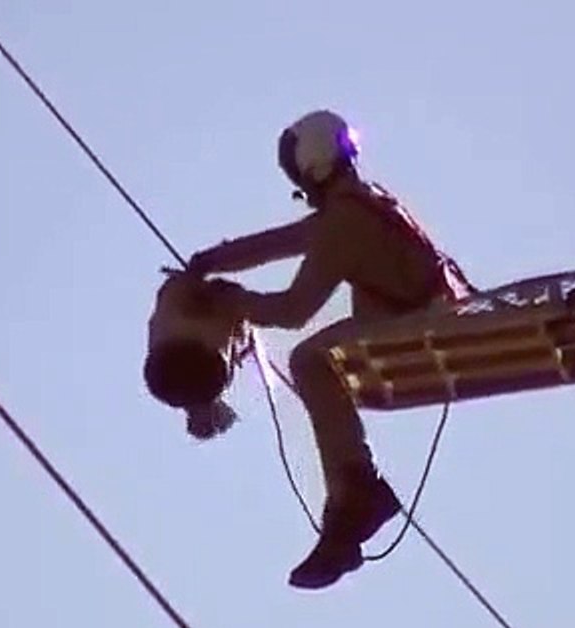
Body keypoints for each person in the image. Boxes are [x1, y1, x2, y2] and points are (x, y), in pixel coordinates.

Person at [187, 109, 474, 590]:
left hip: (417, 325)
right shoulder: (363, 202)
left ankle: (356, 492)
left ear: (311, 166)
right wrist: (214, 260)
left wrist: (234, 301)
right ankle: (353, 497)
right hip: (424, 313)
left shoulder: (344, 223)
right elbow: (286, 241)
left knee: (309, 360)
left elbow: (293, 310)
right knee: (318, 355)